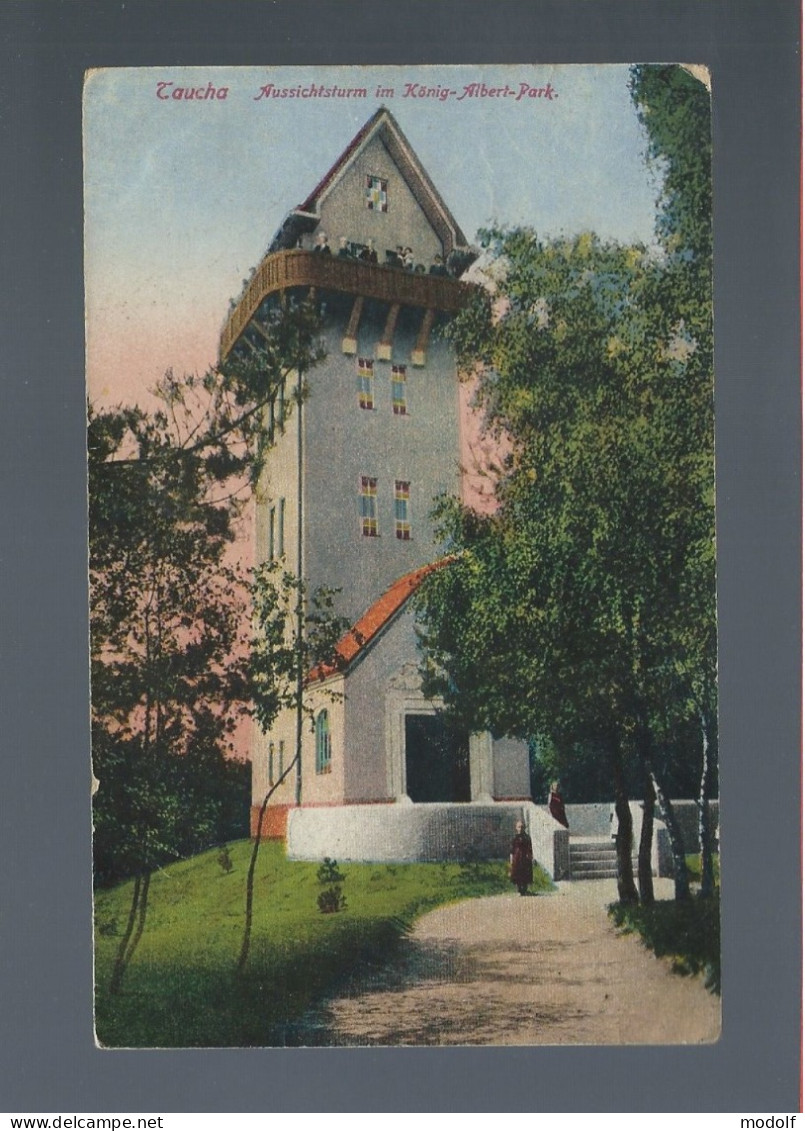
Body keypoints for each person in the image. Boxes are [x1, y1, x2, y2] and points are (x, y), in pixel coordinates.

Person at [509, 819, 533, 896]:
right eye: (519, 827)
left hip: (525, 857)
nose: (520, 829)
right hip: (517, 857)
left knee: (525, 873)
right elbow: (512, 850)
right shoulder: (514, 838)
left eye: (522, 827)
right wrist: (511, 860)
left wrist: (530, 857)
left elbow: (529, 848)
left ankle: (525, 889)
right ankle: (519, 890)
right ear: (516, 828)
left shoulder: (527, 837)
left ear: (524, 828)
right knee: (517, 873)